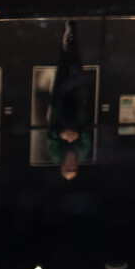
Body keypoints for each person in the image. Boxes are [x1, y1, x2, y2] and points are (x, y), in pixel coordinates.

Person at [46, 20, 95, 180]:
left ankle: (65, 43)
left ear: (62, 167)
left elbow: (50, 136)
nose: (71, 165)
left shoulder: (56, 155)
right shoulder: (81, 153)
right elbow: (87, 136)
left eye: (68, 168)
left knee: (62, 70)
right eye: (73, 168)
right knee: (76, 70)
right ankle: (72, 38)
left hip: (60, 106)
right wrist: (76, 135)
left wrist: (61, 135)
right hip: (77, 105)